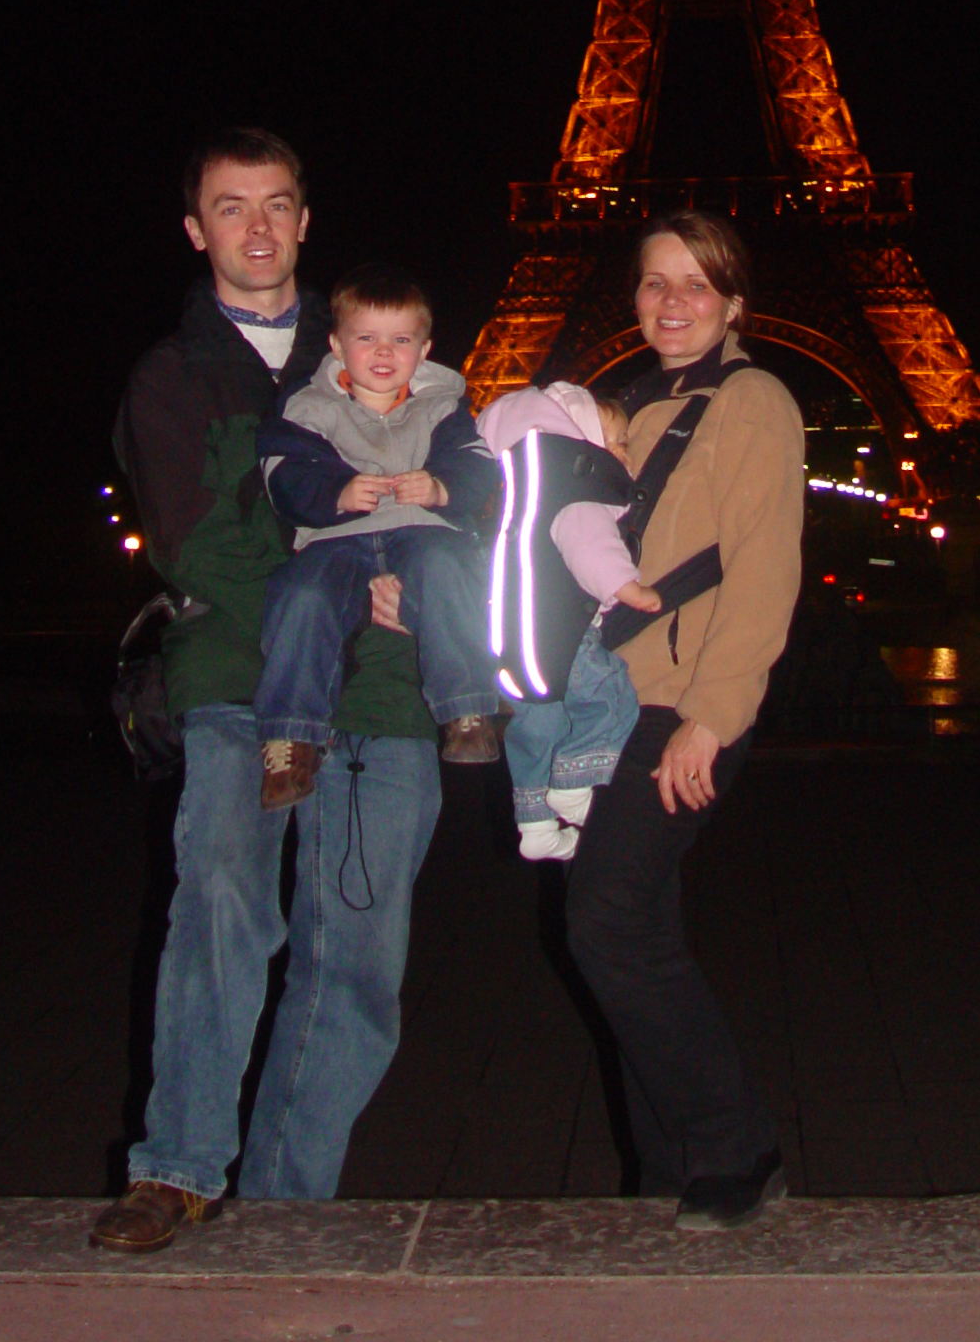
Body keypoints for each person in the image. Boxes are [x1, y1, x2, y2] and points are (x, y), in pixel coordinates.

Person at [89, 133, 442, 1254]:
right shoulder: (170, 376)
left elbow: (467, 491)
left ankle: (290, 1196)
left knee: (360, 960)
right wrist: (355, 579)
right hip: (239, 684)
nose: (256, 226)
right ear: (197, 230)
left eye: (276, 205)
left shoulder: (383, 356)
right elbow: (199, 549)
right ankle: (180, 1167)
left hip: (386, 695)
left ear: (304, 220)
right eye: (229, 207)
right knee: (221, 917)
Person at [563, 210, 804, 1232]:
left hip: (680, 705)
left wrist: (712, 718)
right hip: (614, 698)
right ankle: (669, 1160)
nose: (671, 301)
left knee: (606, 920)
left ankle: (735, 1142)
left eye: (695, 284)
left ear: (733, 302)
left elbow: (763, 569)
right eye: (655, 283)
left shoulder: (752, 400)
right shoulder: (627, 406)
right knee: (638, 924)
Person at [253, 266, 504, 810]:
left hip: (422, 531)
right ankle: (290, 737)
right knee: (301, 595)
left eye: (401, 340)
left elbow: (478, 468)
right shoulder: (306, 409)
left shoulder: (445, 407)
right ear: (337, 347)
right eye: (366, 338)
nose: (383, 352)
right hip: (335, 539)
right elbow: (283, 474)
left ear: (425, 349)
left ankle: (467, 706)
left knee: (446, 571)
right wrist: (337, 493)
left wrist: (439, 487)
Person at [475, 382, 660, 859]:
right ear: (580, 439)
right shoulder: (578, 490)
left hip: (517, 638)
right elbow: (589, 544)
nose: (624, 450)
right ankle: (575, 786)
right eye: (616, 439)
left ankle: (534, 825)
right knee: (611, 693)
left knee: (538, 726)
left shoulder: (524, 489)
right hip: (567, 637)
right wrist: (627, 588)